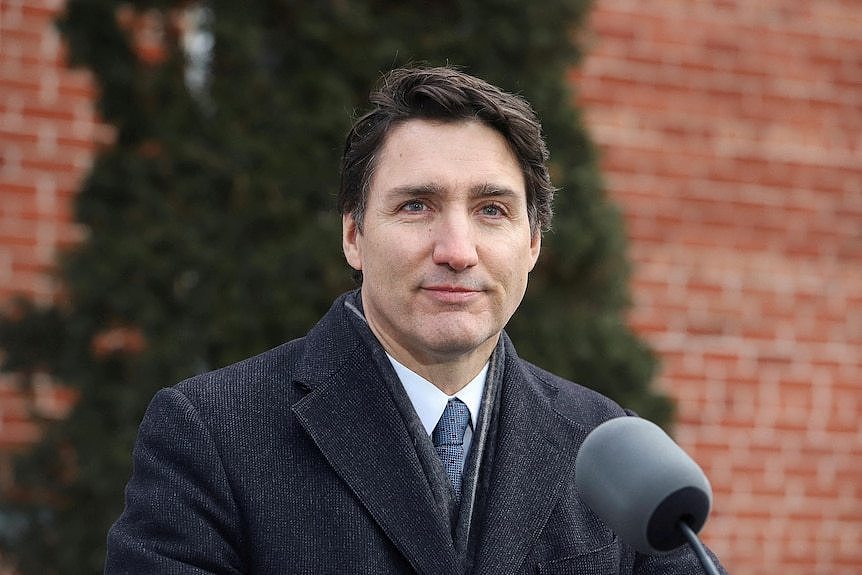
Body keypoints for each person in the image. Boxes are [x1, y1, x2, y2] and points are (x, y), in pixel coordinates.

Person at [105, 66, 726, 574]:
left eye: (491, 210)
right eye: (416, 205)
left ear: (533, 243)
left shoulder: (609, 450)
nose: (457, 249)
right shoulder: (211, 433)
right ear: (354, 235)